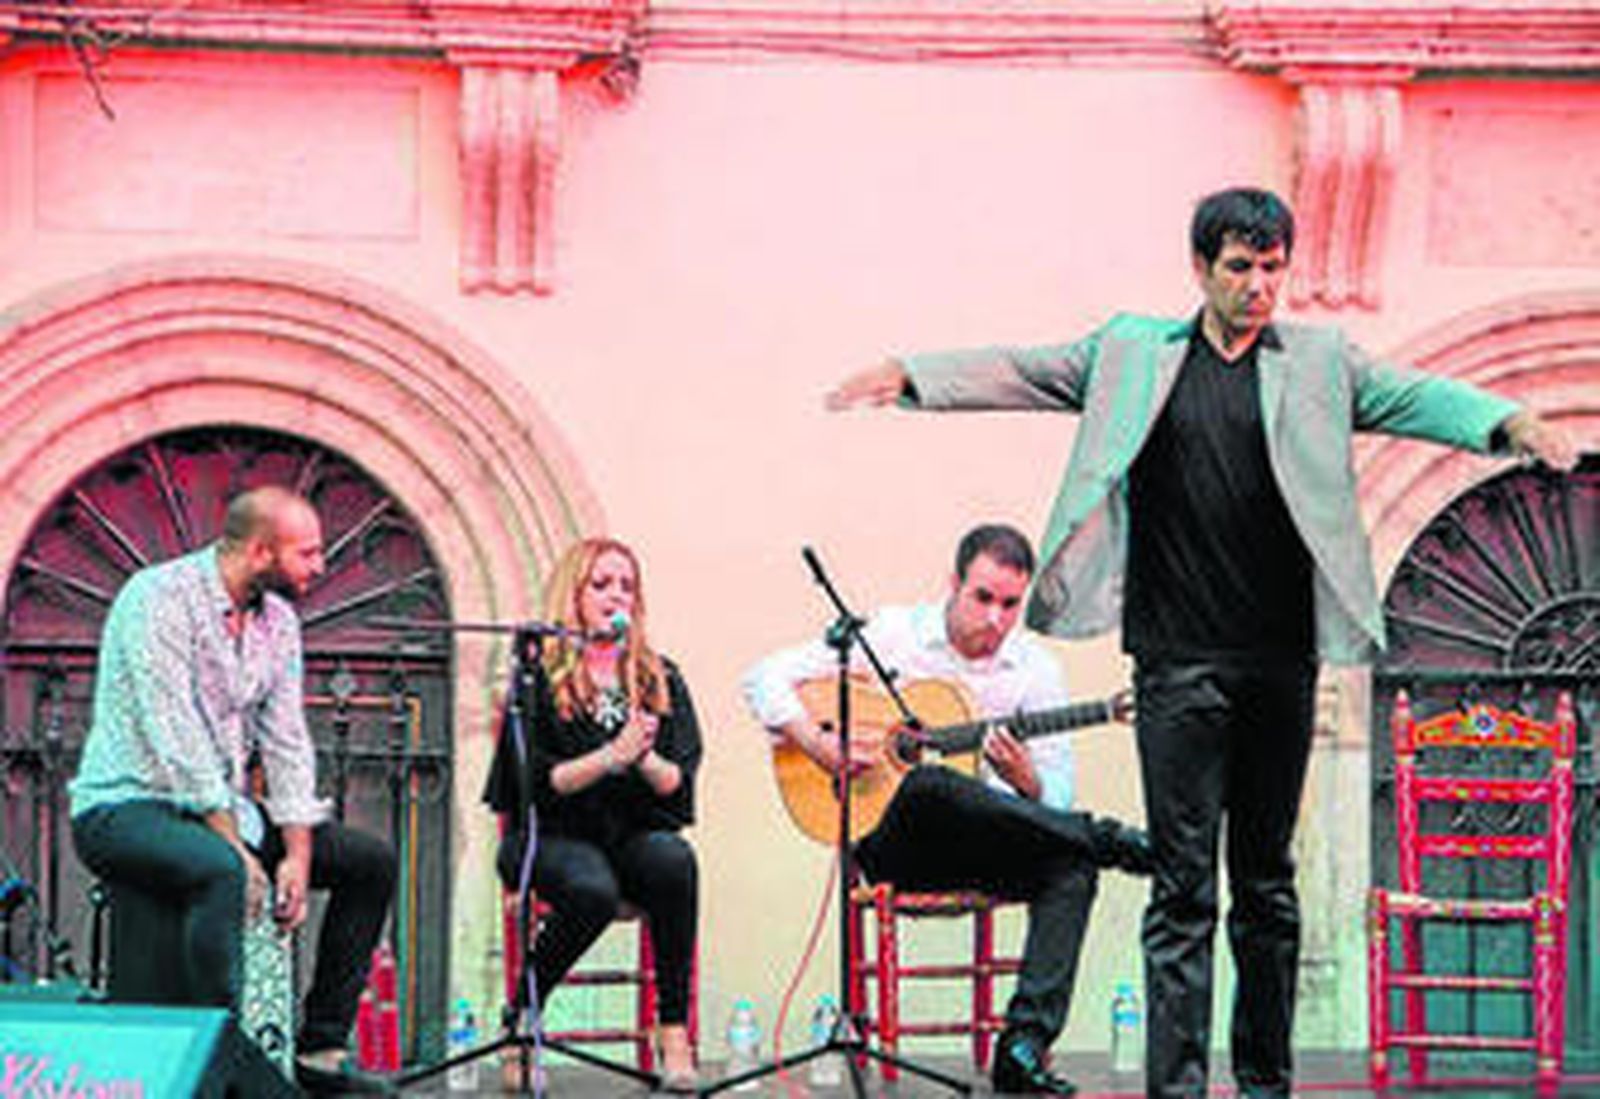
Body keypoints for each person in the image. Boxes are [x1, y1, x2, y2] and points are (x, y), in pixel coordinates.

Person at [825, 187, 1580, 1099]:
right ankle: (1177, 1091)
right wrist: (909, 374)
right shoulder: (1134, 355)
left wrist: (1508, 423)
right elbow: (1023, 369)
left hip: (1280, 661)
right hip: (1176, 663)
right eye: (1240, 267)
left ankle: (1264, 1084)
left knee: (1267, 886)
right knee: (1183, 888)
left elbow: (1416, 397)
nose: (1259, 285)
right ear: (1201, 269)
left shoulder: (1319, 361)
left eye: (1272, 268)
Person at [743, 523, 1152, 1097]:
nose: (995, 619)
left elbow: (1055, 798)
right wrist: (818, 744)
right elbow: (762, 677)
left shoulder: (1035, 670)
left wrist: (1026, 780)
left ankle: (1022, 1047)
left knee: (1071, 867)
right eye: (982, 598)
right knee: (932, 783)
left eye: (1010, 604)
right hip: (892, 846)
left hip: (984, 846)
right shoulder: (889, 635)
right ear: (954, 583)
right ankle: (1108, 838)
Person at [69, 486, 397, 1095]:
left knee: (368, 863)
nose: (321, 566)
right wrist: (239, 850)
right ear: (259, 552)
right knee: (222, 871)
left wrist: (297, 852)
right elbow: (174, 733)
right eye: (308, 553)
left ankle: (320, 1051)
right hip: (126, 805)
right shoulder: (157, 598)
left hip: (225, 810)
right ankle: (218, 1058)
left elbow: (287, 740)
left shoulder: (279, 623)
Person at [483, 537, 703, 1092]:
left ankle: (673, 1030)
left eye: (626, 586)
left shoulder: (659, 676)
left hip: (628, 833)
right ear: (573, 596)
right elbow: (535, 784)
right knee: (592, 890)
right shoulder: (539, 675)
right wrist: (609, 758)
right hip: (551, 835)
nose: (615, 596)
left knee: (675, 859)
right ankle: (522, 1018)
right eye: (601, 585)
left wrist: (643, 755)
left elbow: (678, 783)